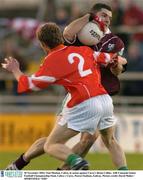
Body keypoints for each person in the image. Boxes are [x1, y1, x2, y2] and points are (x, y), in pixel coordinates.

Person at [5, 3, 128, 170]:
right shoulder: (84, 48)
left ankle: (70, 165)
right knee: (91, 140)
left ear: (43, 45)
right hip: (102, 98)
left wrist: (16, 70)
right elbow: (105, 56)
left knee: (53, 144)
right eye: (103, 15)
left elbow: (29, 84)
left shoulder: (55, 60)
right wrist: (118, 60)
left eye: (110, 17)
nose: (107, 20)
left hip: (84, 99)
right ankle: (25, 165)